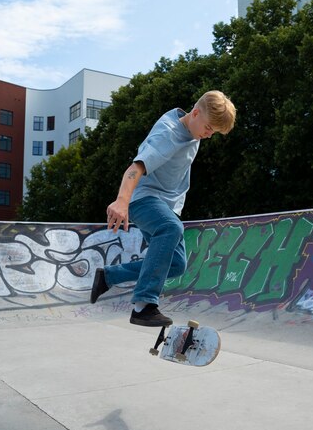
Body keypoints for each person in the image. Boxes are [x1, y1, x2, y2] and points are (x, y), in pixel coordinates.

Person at [90, 90, 236, 327]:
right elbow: (135, 167)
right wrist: (122, 201)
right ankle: (143, 305)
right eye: (209, 128)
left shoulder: (191, 126)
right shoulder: (167, 135)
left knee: (177, 264)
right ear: (196, 113)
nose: (208, 135)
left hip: (164, 204)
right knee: (170, 228)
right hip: (143, 199)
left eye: (214, 132)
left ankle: (109, 276)